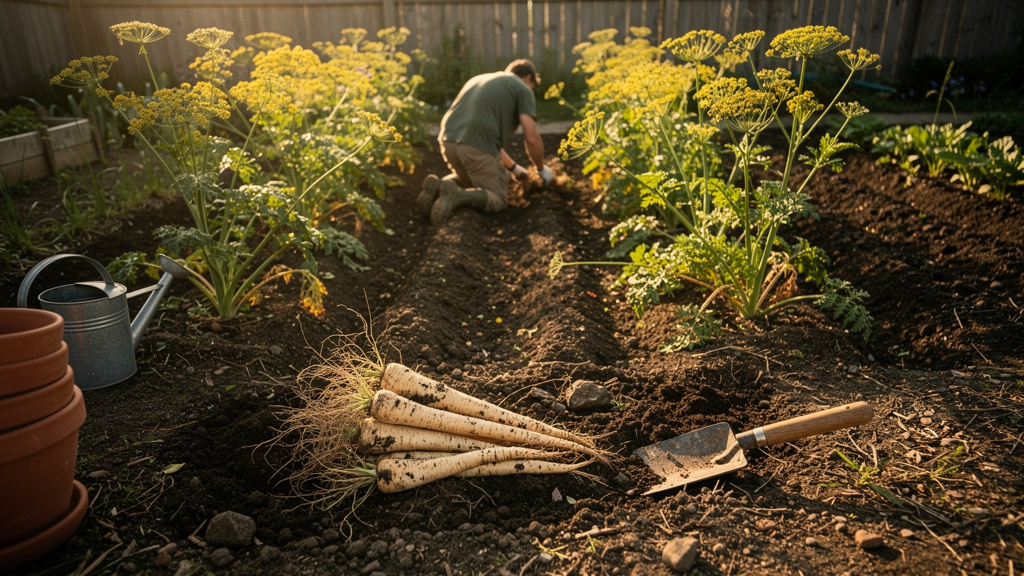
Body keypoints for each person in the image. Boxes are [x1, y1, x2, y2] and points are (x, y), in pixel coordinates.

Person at [418, 59, 553, 225]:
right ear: (528, 78)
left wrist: (512, 167)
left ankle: (440, 186)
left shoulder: (479, 79)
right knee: (497, 198)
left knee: (471, 180)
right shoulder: (523, 88)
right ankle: (457, 196)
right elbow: (531, 137)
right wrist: (541, 169)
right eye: (533, 85)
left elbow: (486, 136)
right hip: (475, 147)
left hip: (448, 141)